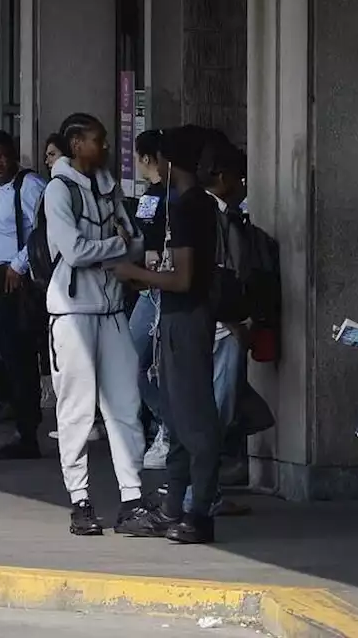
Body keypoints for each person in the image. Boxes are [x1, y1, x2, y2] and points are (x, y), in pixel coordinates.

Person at [112, 125, 223, 544]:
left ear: (168, 160)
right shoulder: (193, 204)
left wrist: (132, 273)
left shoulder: (186, 206)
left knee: (194, 421)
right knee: (177, 418)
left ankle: (199, 511)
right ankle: (174, 506)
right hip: (183, 316)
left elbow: (183, 278)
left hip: (187, 317)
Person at [41, 113, 149, 537]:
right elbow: (73, 250)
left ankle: (133, 497)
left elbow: (137, 240)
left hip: (111, 310)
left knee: (126, 406)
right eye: (97, 140)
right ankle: (80, 501)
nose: (105, 147)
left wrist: (113, 249)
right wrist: (116, 249)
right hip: (72, 314)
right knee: (76, 412)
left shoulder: (108, 188)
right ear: (76, 143)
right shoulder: (58, 189)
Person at [0, 130, 47, 459]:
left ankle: (26, 431)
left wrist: (18, 265)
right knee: (3, 354)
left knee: (19, 357)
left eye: (2, 156)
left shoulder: (29, 186)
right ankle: (13, 421)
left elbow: (42, 230)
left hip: (17, 278)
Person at [129, 128, 170, 470]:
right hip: (156, 286)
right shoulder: (181, 195)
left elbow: (144, 240)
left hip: (154, 287)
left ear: (146, 158)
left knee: (135, 359)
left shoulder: (153, 198)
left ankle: (167, 425)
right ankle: (164, 424)